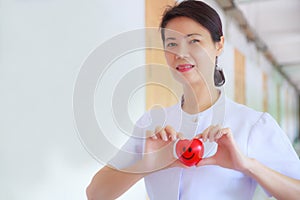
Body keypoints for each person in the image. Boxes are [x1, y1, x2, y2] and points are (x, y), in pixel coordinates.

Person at [86, 1, 300, 199]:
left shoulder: (252, 124)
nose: (181, 53)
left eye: (194, 41)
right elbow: (95, 193)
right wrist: (148, 164)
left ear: (219, 45)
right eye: (171, 43)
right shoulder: (151, 125)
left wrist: (247, 165)